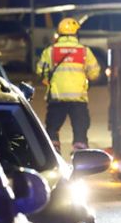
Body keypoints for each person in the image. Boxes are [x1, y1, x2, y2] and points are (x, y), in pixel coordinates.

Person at [36, 17, 100, 153]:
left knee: (52, 127)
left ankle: (53, 151)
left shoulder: (50, 51)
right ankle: (80, 150)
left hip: (57, 97)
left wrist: (48, 79)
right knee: (80, 127)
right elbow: (94, 73)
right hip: (78, 98)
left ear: (59, 34)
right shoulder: (84, 51)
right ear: (76, 34)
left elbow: (40, 70)